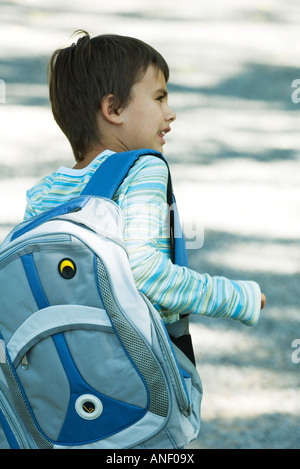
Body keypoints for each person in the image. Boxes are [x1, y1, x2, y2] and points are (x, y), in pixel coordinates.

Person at [24, 31, 266, 337]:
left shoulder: (44, 192)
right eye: (159, 98)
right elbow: (144, 272)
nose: (170, 113)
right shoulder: (142, 167)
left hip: (60, 370)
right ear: (113, 109)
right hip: (130, 369)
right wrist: (236, 298)